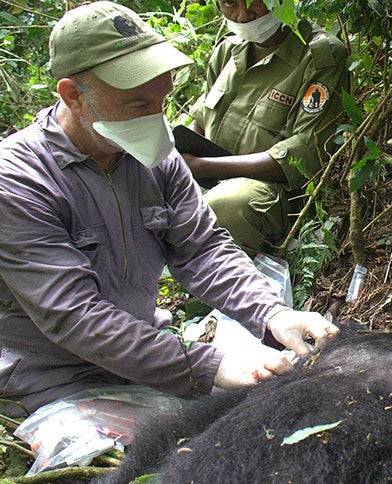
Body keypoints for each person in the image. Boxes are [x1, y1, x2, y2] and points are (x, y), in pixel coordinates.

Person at [0, 1, 339, 417]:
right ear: (73, 96)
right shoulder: (18, 180)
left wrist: (272, 314)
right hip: (51, 377)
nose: (155, 118)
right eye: (138, 105)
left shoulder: (152, 155)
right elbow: (74, 315)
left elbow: (203, 250)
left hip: (145, 355)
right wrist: (210, 365)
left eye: (161, 100)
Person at [180, 0, 348, 254]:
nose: (243, 15)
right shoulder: (228, 50)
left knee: (222, 208)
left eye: (254, 2)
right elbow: (200, 120)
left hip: (277, 194)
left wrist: (203, 167)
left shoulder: (320, 56)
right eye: (230, 3)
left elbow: (304, 154)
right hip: (210, 177)